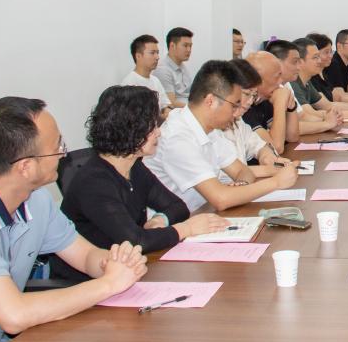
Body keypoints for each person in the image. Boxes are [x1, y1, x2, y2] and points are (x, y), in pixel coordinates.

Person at [0, 97, 147, 342]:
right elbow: (14, 315)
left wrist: (115, 263)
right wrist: (109, 284)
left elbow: (84, 256)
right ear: (25, 167)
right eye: (58, 147)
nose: (64, 155)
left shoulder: (36, 200)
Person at [52, 87, 230, 281]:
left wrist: (161, 220)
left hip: (129, 271)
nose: (159, 132)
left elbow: (178, 206)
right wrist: (187, 229)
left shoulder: (134, 167)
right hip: (88, 282)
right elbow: (136, 240)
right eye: (152, 126)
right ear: (129, 129)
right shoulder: (94, 182)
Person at [145, 60, 299, 212]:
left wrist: (240, 187)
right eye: (234, 104)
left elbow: (242, 171)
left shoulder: (209, 128)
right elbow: (221, 199)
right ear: (210, 101)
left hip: (207, 213)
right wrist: (276, 182)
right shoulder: (177, 137)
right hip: (183, 221)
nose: (236, 111)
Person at [219, 59, 290, 180]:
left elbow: (258, 145)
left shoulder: (238, 121)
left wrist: (266, 156)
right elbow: (226, 175)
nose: (250, 101)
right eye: (247, 94)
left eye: (254, 95)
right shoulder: (211, 127)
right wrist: (271, 170)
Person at [266, 40, 340, 135]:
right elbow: (288, 131)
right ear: (277, 63)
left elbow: (302, 116)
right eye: (295, 62)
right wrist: (326, 124)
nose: (298, 67)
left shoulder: (286, 84)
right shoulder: (268, 91)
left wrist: (330, 120)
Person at [243, 51, 301, 155]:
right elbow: (276, 148)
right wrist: (280, 104)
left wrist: (291, 107)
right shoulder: (243, 107)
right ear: (258, 80)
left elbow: (292, 137)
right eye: (277, 76)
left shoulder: (264, 99)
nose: (281, 81)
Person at [120, 34, 171, 117]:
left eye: (157, 53)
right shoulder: (129, 84)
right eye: (152, 53)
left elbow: (166, 105)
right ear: (138, 56)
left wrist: (167, 111)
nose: (157, 57)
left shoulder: (155, 80)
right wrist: (160, 117)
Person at [153, 27, 194, 108]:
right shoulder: (163, 70)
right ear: (172, 46)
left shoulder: (182, 66)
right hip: (177, 113)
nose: (189, 50)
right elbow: (171, 103)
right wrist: (196, 108)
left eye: (190, 46)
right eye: (185, 45)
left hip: (188, 109)